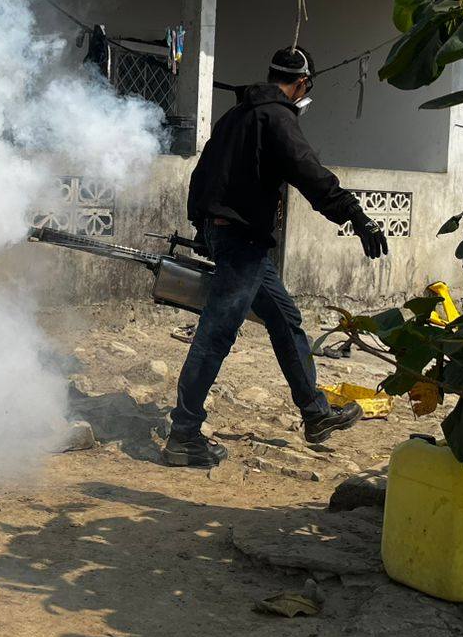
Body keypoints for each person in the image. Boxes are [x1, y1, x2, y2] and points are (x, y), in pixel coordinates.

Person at [164, 46, 389, 467]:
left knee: (285, 318)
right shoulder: (276, 117)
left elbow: (203, 173)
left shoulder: (236, 115)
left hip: (231, 234)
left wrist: (204, 225)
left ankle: (315, 413)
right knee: (215, 335)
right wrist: (356, 216)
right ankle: (184, 435)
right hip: (242, 240)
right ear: (302, 83)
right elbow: (309, 172)